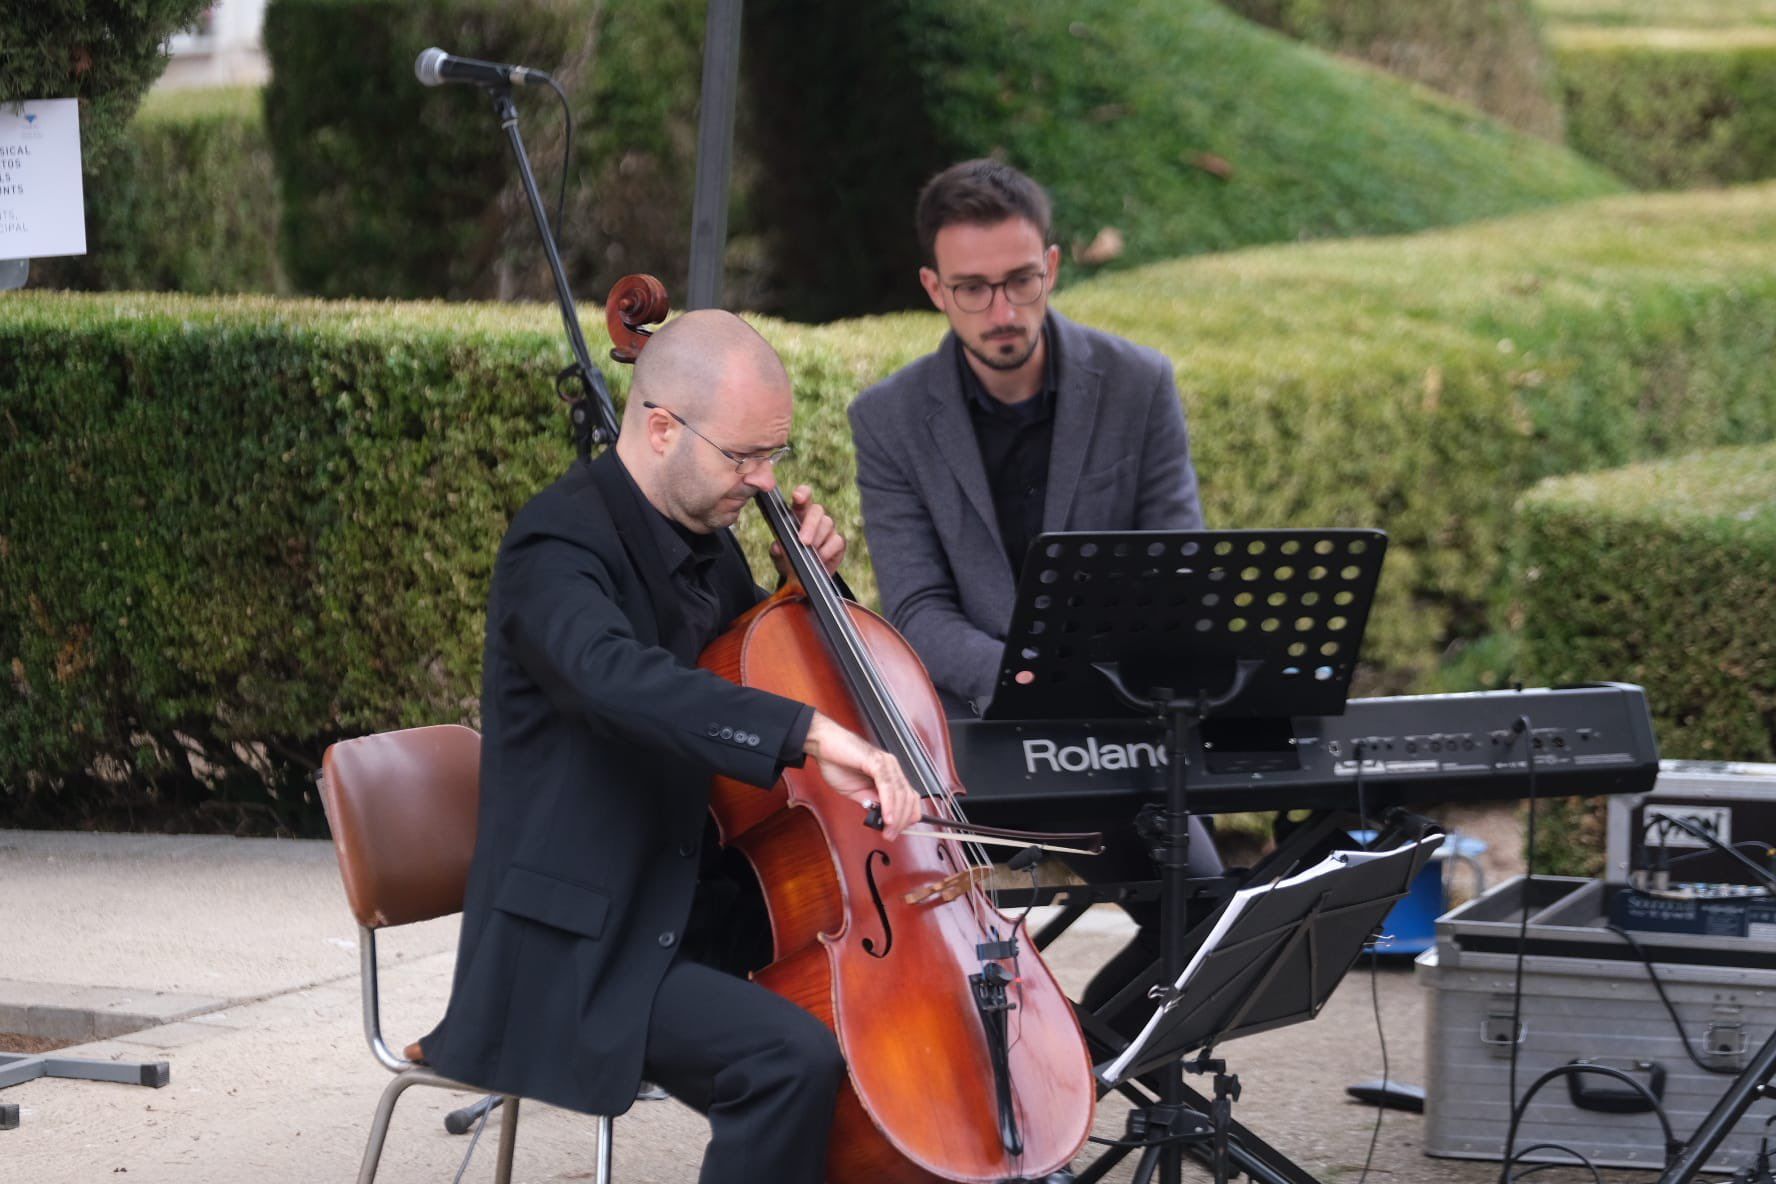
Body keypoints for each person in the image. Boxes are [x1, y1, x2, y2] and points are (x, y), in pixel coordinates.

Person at [421, 310, 922, 1184]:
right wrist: (805, 735)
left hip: (694, 913)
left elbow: (771, 661)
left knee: (889, 1027)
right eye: (744, 457)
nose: (765, 481)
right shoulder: (555, 543)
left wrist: (811, 584)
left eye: (774, 455)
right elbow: (618, 681)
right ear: (661, 429)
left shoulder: (709, 543)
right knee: (788, 1061)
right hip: (580, 947)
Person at [847, 158, 1220, 1016]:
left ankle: (1085, 1062)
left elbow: (1177, 568)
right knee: (941, 953)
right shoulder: (889, 419)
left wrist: (1092, 682)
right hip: (974, 750)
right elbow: (916, 609)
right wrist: (1030, 679)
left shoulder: (1140, 384)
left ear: (1051, 266)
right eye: (973, 289)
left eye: (1020, 281)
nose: (1003, 310)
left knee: (1206, 920)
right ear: (934, 290)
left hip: (1115, 732)